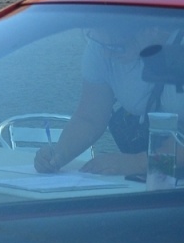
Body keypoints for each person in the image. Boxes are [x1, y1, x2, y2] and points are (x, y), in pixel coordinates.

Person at [34, 24, 183, 176]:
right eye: (100, 46)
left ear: (151, 29)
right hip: (159, 173)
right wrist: (59, 154)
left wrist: (138, 163)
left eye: (117, 48)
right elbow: (90, 119)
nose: (106, 54)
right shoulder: (103, 43)